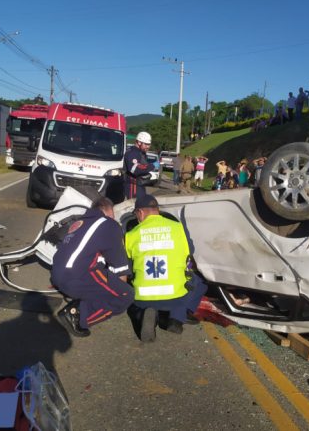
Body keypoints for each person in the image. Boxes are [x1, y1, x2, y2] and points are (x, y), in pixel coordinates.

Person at [125, 195, 207, 342]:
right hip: (175, 297)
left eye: (136, 214)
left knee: (133, 299)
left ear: (140, 212)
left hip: (143, 297)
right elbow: (191, 251)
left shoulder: (131, 235)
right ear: (157, 210)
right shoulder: (178, 228)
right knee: (200, 280)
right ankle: (176, 317)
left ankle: (143, 314)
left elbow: (126, 263)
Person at [51, 195, 134, 337]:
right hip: (76, 277)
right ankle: (77, 316)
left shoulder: (79, 222)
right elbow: (120, 267)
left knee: (102, 281)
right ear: (108, 211)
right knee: (125, 294)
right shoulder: (108, 224)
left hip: (57, 276)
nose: (113, 218)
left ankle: (83, 302)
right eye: (113, 215)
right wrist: (118, 290)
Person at [123, 131, 160, 199]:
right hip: (132, 185)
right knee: (134, 206)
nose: (148, 146)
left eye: (149, 144)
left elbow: (142, 165)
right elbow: (135, 169)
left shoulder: (140, 152)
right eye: (146, 144)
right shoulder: (133, 153)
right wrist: (152, 166)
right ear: (139, 142)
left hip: (139, 184)